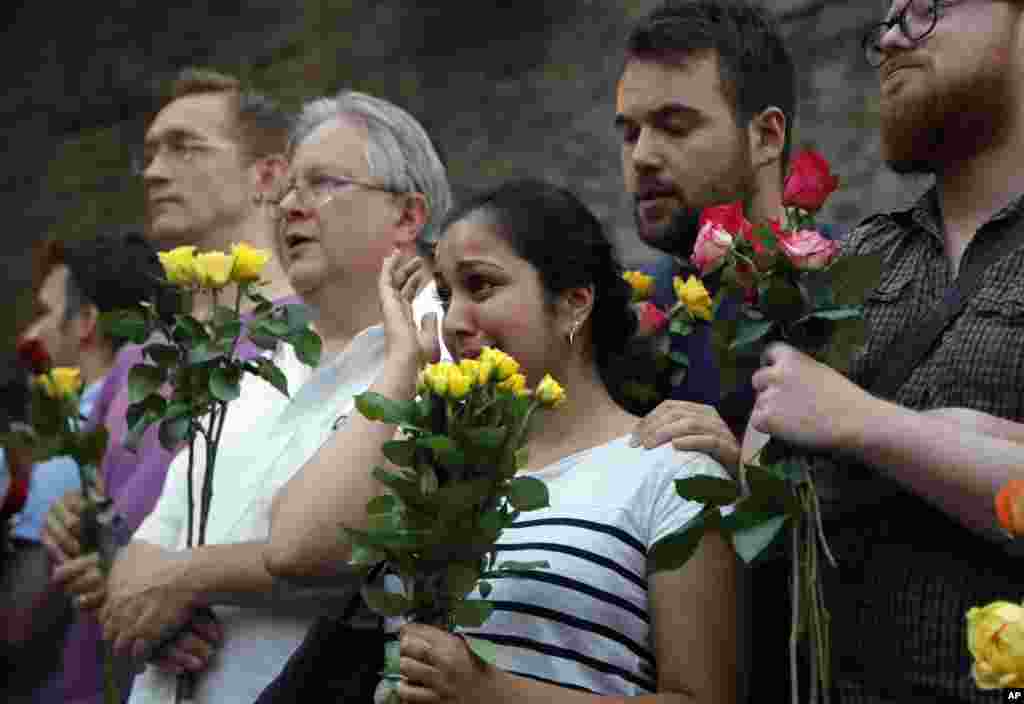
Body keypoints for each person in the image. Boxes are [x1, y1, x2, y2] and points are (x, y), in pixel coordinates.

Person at [266, 179, 738, 702]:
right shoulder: (430, 455)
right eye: (446, 295)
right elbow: (293, 552)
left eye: (482, 286)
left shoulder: (668, 468)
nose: (455, 321)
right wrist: (403, 362)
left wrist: (493, 693)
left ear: (574, 304)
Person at [92, 90, 450, 704]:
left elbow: (331, 548)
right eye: (288, 190)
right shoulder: (260, 363)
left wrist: (185, 580)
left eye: (323, 184)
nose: (291, 207)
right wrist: (154, 613)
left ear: (408, 217)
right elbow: (154, 534)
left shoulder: (438, 354)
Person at [747, 1, 1024, 701]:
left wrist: (870, 426)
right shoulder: (853, 259)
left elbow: (823, 417)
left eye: (927, 8)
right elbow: (763, 478)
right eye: (887, 19)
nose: (893, 38)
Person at [41, 69, 295, 704]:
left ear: (267, 176)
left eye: (184, 147)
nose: (153, 171)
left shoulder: (314, 341)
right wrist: (79, 536)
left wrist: (177, 591)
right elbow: (106, 514)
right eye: (150, 152)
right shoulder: (137, 356)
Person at [616, 0, 798, 475]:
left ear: (766, 137)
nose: (641, 156)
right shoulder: (628, 313)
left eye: (674, 127)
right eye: (629, 133)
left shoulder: (852, 296)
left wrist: (740, 476)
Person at [0, 233, 165, 702]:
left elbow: (18, 626)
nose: (28, 335)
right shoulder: (159, 425)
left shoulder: (62, 462)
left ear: (86, 321)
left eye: (44, 313)